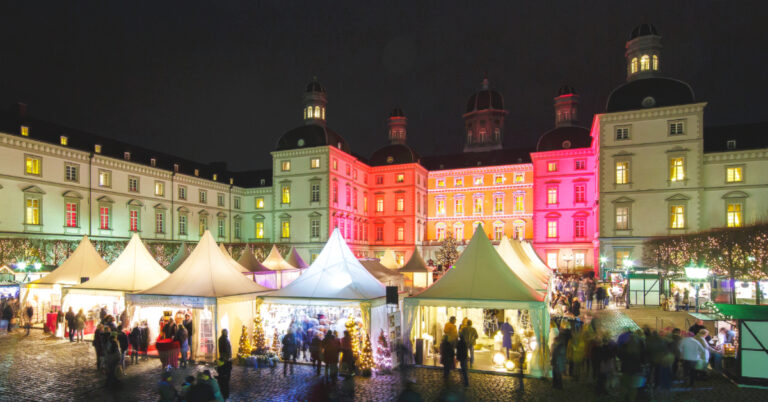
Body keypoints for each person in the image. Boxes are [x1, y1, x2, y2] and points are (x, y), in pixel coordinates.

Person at [217, 329, 232, 399]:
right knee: (225, 369)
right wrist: (227, 356)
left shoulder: (222, 338)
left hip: (225, 356)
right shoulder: (223, 339)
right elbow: (225, 349)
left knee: (224, 369)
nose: (227, 333)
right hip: (225, 356)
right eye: (226, 332)